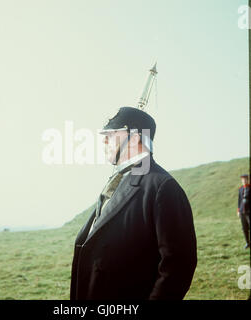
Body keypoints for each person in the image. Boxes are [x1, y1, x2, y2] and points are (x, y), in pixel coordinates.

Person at [70, 106, 197, 300]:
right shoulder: (120, 179)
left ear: (135, 138)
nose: (104, 140)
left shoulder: (163, 187)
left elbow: (178, 266)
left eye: (111, 135)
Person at [237, 174, 250, 249]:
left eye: (245, 179)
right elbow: (239, 200)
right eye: (242, 180)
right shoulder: (240, 189)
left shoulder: (249, 188)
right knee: (244, 228)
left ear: (247, 180)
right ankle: (247, 243)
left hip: (249, 212)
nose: (244, 181)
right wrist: (238, 210)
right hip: (242, 211)